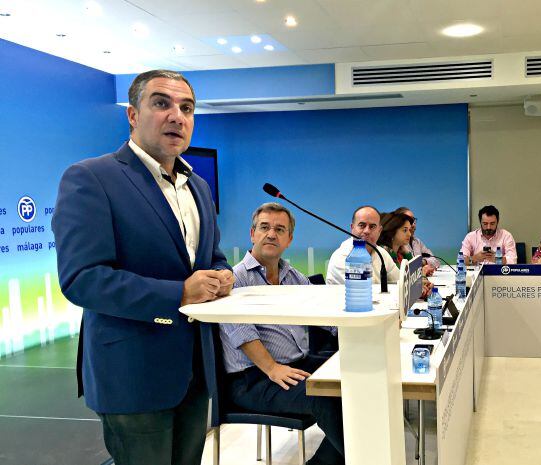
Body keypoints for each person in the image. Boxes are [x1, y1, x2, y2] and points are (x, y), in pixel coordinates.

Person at [51, 69, 234, 465]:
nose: (177, 116)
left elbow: (210, 256)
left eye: (186, 108)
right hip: (131, 372)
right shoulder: (91, 178)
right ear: (133, 115)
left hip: (195, 370)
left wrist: (224, 274)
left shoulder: (197, 186)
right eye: (161, 103)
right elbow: (82, 279)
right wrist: (180, 293)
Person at [219, 203, 343, 465]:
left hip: (295, 365)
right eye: (264, 227)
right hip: (254, 379)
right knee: (326, 398)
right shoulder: (235, 279)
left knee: (354, 382)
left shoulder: (292, 275)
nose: (271, 234)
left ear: (289, 239)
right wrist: (272, 367)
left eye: (279, 229)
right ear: (252, 234)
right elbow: (241, 332)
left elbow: (326, 313)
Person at [325, 206, 400, 284]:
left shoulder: (381, 253)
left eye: (372, 227)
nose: (367, 231)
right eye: (362, 225)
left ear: (379, 231)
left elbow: (399, 282)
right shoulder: (342, 257)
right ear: (352, 228)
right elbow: (361, 291)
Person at [393, 206, 440, 273]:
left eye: (414, 220)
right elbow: (403, 272)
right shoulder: (397, 244)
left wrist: (423, 262)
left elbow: (436, 261)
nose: (413, 225)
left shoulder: (417, 241)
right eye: (410, 221)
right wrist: (422, 271)